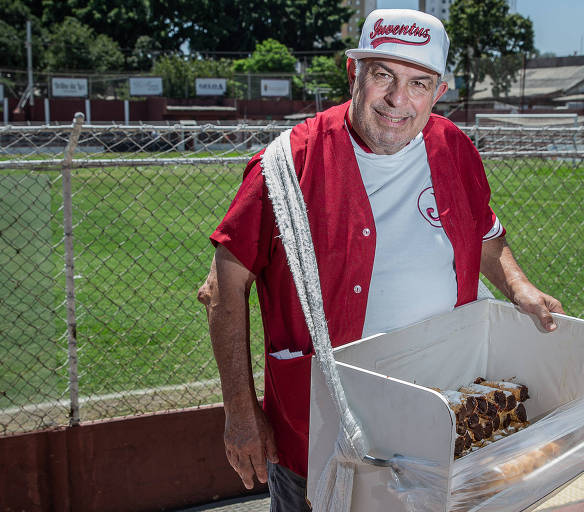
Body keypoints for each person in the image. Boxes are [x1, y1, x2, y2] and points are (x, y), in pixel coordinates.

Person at [197, 8, 563, 511]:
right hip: (327, 435)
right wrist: (240, 411)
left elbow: (483, 231)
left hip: (442, 419)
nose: (398, 100)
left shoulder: (453, 148)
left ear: (438, 91)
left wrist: (518, 286)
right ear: (354, 73)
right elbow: (222, 286)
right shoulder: (288, 165)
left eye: (419, 83)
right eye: (383, 75)